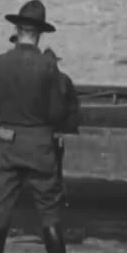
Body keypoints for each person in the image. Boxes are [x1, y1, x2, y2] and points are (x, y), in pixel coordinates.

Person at [0, 0, 82, 253]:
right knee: (49, 212)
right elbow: (56, 111)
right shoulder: (48, 66)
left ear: (17, 30)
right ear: (39, 34)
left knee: (0, 212)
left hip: (7, 142)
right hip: (39, 145)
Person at [43, 48, 82, 190]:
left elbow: (73, 105)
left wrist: (67, 128)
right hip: (44, 127)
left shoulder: (64, 80)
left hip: (61, 127)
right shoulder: (39, 81)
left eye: (51, 64)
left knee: (57, 157)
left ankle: (57, 183)